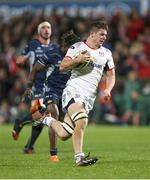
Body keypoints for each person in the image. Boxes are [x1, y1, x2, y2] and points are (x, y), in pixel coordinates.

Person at [25, 20, 115, 166]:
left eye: (105, 35)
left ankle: (46, 120)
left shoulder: (106, 53)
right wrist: (77, 60)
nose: (104, 37)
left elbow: (111, 75)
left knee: (64, 133)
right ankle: (79, 158)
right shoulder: (77, 47)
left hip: (89, 97)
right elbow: (62, 67)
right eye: (101, 34)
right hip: (74, 90)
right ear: (92, 33)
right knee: (82, 120)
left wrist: (108, 89)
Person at [12, 21, 60, 162]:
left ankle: (28, 146)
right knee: (38, 114)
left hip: (50, 85)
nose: (46, 30)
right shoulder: (33, 45)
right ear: (39, 31)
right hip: (37, 86)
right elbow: (19, 60)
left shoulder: (54, 47)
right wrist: (23, 61)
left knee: (40, 119)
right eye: (43, 28)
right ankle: (20, 122)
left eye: (49, 27)